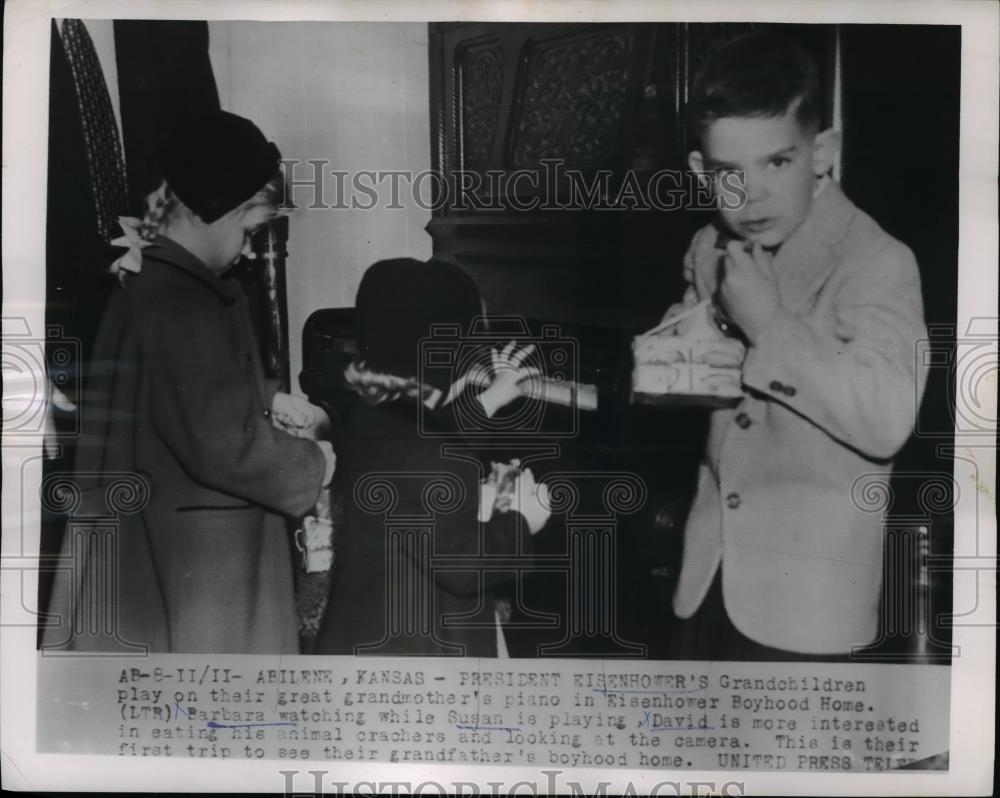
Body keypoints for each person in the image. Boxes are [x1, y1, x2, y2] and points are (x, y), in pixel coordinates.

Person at [664, 32, 927, 658]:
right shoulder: (710, 248)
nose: (750, 194)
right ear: (702, 173)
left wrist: (769, 325)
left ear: (822, 152)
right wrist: (679, 350)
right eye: (729, 172)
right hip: (707, 581)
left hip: (809, 611)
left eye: (777, 162)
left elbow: (887, 419)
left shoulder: (878, 260)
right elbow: (703, 396)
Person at [42, 111, 336, 654]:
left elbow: (180, 395)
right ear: (223, 212)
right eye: (251, 233)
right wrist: (315, 463)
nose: (250, 251)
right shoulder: (185, 301)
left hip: (151, 528)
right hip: (198, 557)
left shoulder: (149, 279)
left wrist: (266, 397)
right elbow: (220, 442)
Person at [315, 258, 550, 657]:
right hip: (422, 650)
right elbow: (463, 566)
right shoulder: (433, 452)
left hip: (370, 635)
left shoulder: (375, 417)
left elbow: (434, 435)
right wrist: (523, 519)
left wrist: (491, 398)